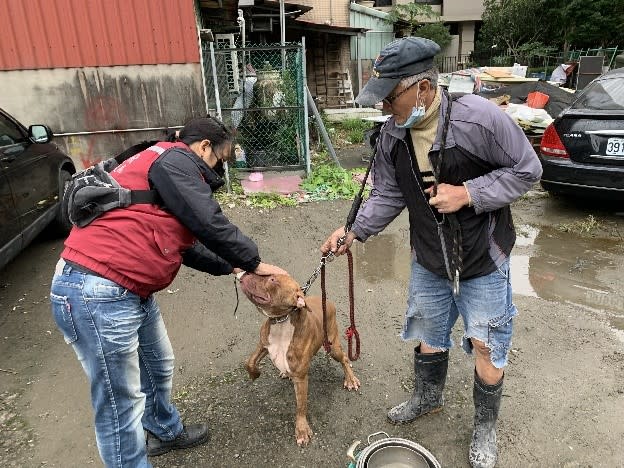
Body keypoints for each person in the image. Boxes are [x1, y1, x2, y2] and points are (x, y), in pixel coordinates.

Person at [321, 37, 542, 468]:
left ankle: (485, 426)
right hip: (429, 258)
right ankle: (426, 398)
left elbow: (528, 169)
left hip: (483, 259)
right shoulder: (392, 134)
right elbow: (387, 192)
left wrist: (469, 193)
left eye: (389, 96)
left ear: (421, 88)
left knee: (486, 343)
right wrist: (354, 231)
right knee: (427, 333)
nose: (384, 107)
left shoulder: (479, 120)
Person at [50, 116, 286, 467]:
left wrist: (235, 267)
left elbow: (185, 245)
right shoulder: (175, 159)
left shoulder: (161, 170)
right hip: (96, 291)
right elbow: (207, 220)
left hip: (127, 291)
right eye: (221, 160)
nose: (219, 170)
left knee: (158, 364)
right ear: (205, 147)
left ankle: (163, 430)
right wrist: (254, 260)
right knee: (120, 407)